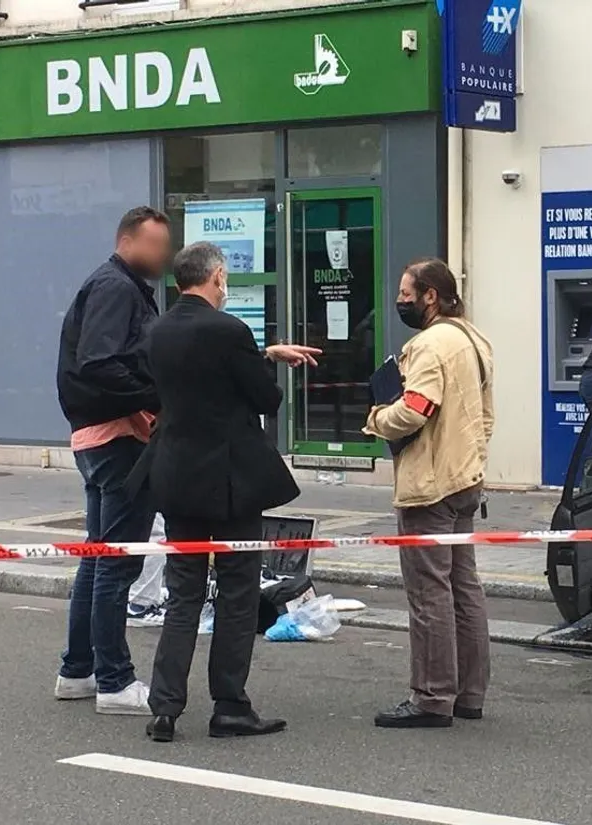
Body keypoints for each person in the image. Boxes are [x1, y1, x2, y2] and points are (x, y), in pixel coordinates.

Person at [136, 241, 320, 743]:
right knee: (238, 591)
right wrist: (262, 364)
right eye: (225, 278)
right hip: (231, 480)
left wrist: (261, 352)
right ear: (217, 277)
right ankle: (230, 705)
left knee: (184, 594)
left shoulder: (158, 330)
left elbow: (184, 378)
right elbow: (266, 397)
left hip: (176, 477)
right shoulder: (229, 329)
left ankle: (165, 707)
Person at [363, 258, 494, 729]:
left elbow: (415, 410)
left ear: (430, 297)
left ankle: (432, 697)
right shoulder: (474, 339)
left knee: (428, 593)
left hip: (429, 485)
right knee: (464, 587)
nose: (399, 301)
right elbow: (485, 414)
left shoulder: (427, 345)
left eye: (405, 293)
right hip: (465, 479)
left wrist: (377, 417)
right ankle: (470, 694)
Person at [54, 206, 171, 715]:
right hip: (118, 438)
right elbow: (99, 362)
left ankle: (77, 671)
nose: (165, 256)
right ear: (129, 241)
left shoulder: (119, 286)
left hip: (98, 436)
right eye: (158, 245)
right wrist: (155, 399)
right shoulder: (116, 288)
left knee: (98, 558)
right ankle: (115, 682)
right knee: (115, 564)